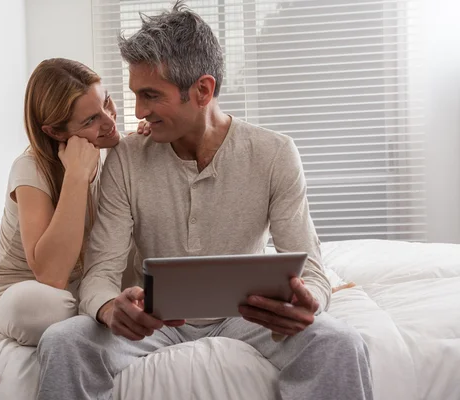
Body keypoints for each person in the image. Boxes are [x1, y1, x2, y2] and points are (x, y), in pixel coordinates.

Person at [36, 2, 374, 400]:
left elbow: (311, 269)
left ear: (202, 90)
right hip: (156, 320)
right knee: (63, 341)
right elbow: (100, 273)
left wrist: (309, 302)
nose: (138, 111)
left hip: (249, 317)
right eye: (134, 95)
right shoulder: (126, 158)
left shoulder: (275, 153)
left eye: (150, 96)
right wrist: (110, 308)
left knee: (341, 342)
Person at [0, 58, 147, 346]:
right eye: (91, 119)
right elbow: (52, 276)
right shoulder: (30, 169)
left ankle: (95, 311)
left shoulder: (109, 150)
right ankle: (91, 314)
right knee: (41, 307)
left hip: (83, 287)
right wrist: (76, 178)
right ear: (55, 132)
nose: (108, 121)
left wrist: (147, 143)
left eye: (107, 102)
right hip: (23, 292)